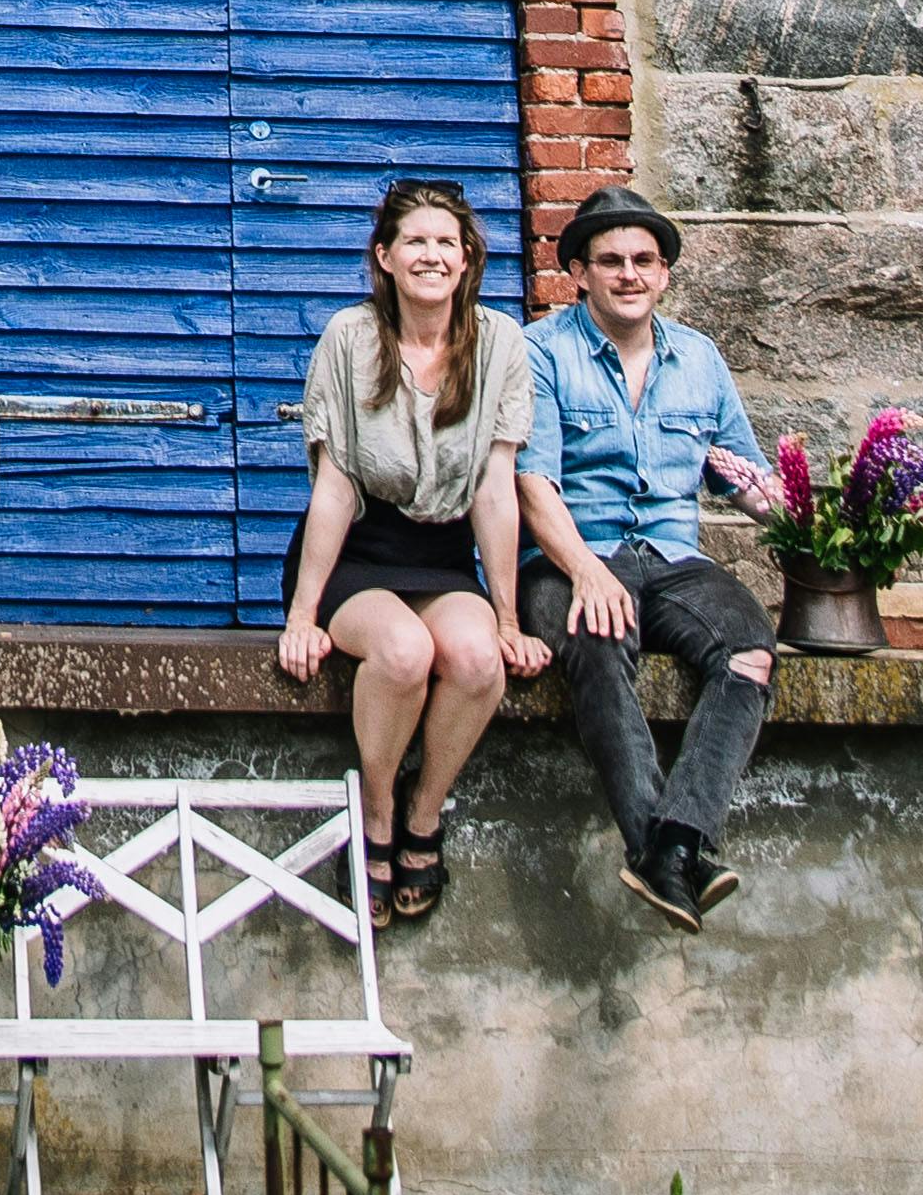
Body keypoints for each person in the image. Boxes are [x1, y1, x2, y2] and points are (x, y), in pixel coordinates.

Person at [271, 176, 552, 926]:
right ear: (385, 256)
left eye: (445, 242)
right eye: (415, 241)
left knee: (474, 659)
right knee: (399, 652)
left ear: (466, 260)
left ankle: (426, 815)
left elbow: (496, 489)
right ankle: (377, 812)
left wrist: (507, 617)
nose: (431, 255)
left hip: (439, 551)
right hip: (357, 548)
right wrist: (303, 613)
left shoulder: (499, 344)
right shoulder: (350, 337)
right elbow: (332, 485)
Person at [516, 185, 780, 926]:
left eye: (643, 259)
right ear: (579, 272)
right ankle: (655, 845)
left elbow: (744, 477)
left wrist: (821, 525)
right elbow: (531, 483)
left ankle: (674, 842)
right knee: (596, 640)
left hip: (673, 561)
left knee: (750, 651)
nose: (628, 273)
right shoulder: (540, 351)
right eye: (610, 260)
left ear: (663, 273)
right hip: (576, 553)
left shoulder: (698, 358)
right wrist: (586, 570)